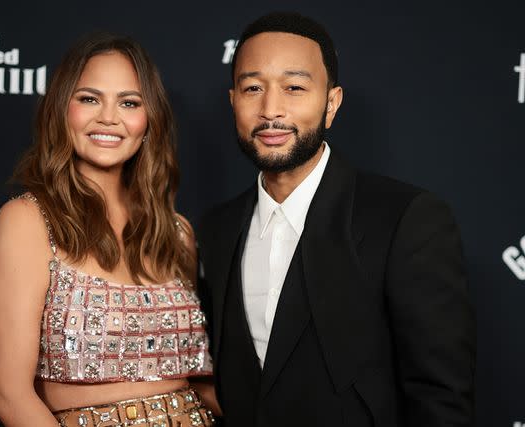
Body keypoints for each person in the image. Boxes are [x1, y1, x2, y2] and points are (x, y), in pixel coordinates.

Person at [197, 11, 475, 426]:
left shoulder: (405, 220)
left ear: (331, 103)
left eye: (294, 87)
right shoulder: (216, 230)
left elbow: (440, 397)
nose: (271, 109)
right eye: (253, 87)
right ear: (234, 100)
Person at [0, 32, 218, 427]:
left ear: (149, 122)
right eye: (89, 99)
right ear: (62, 109)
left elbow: (201, 384)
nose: (108, 117)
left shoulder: (176, 231)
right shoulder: (28, 221)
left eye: (129, 102)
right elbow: (9, 396)